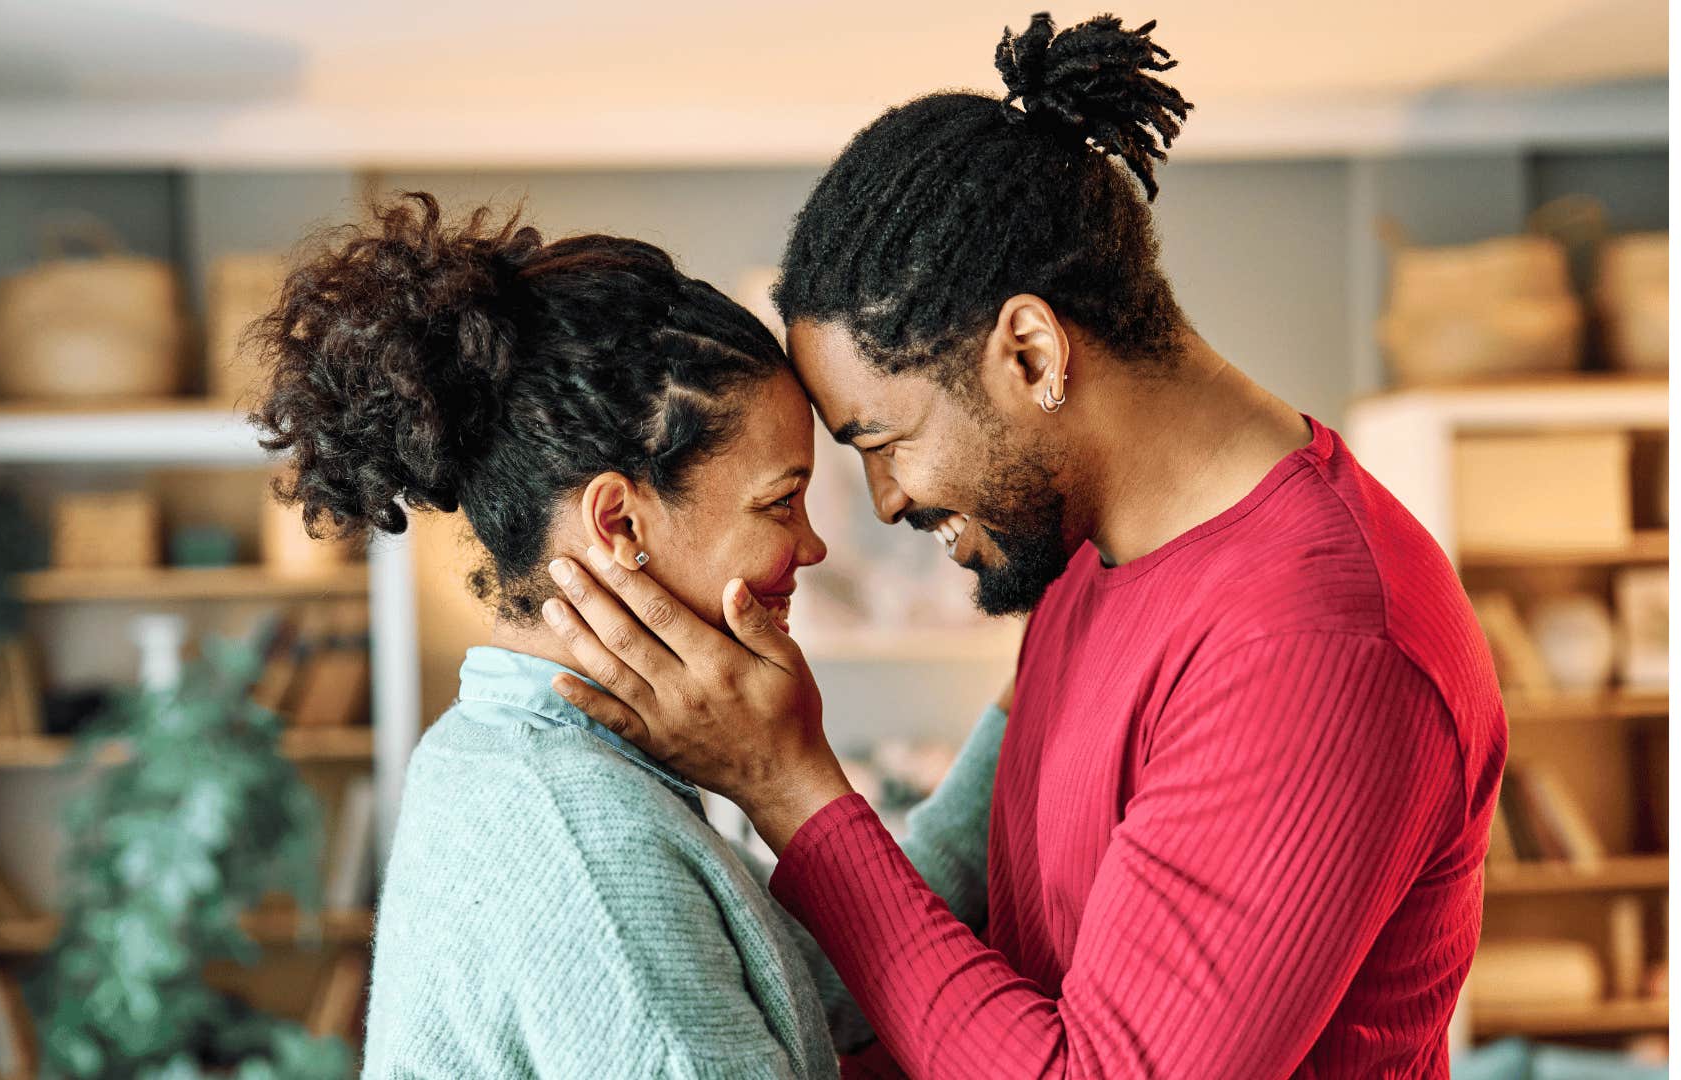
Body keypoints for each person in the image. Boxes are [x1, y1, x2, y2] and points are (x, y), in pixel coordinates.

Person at [540, 12, 1508, 1079]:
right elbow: (1004, 984)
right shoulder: (1089, 560)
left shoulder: (1319, 644)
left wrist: (790, 787)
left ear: (1032, 352)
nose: (888, 498)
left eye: (885, 440)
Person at [247, 192, 1003, 1078]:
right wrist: (783, 771)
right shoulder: (586, 843)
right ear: (619, 524)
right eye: (778, 502)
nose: (811, 545)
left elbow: (828, 975)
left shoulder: (513, 758)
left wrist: (1030, 697)